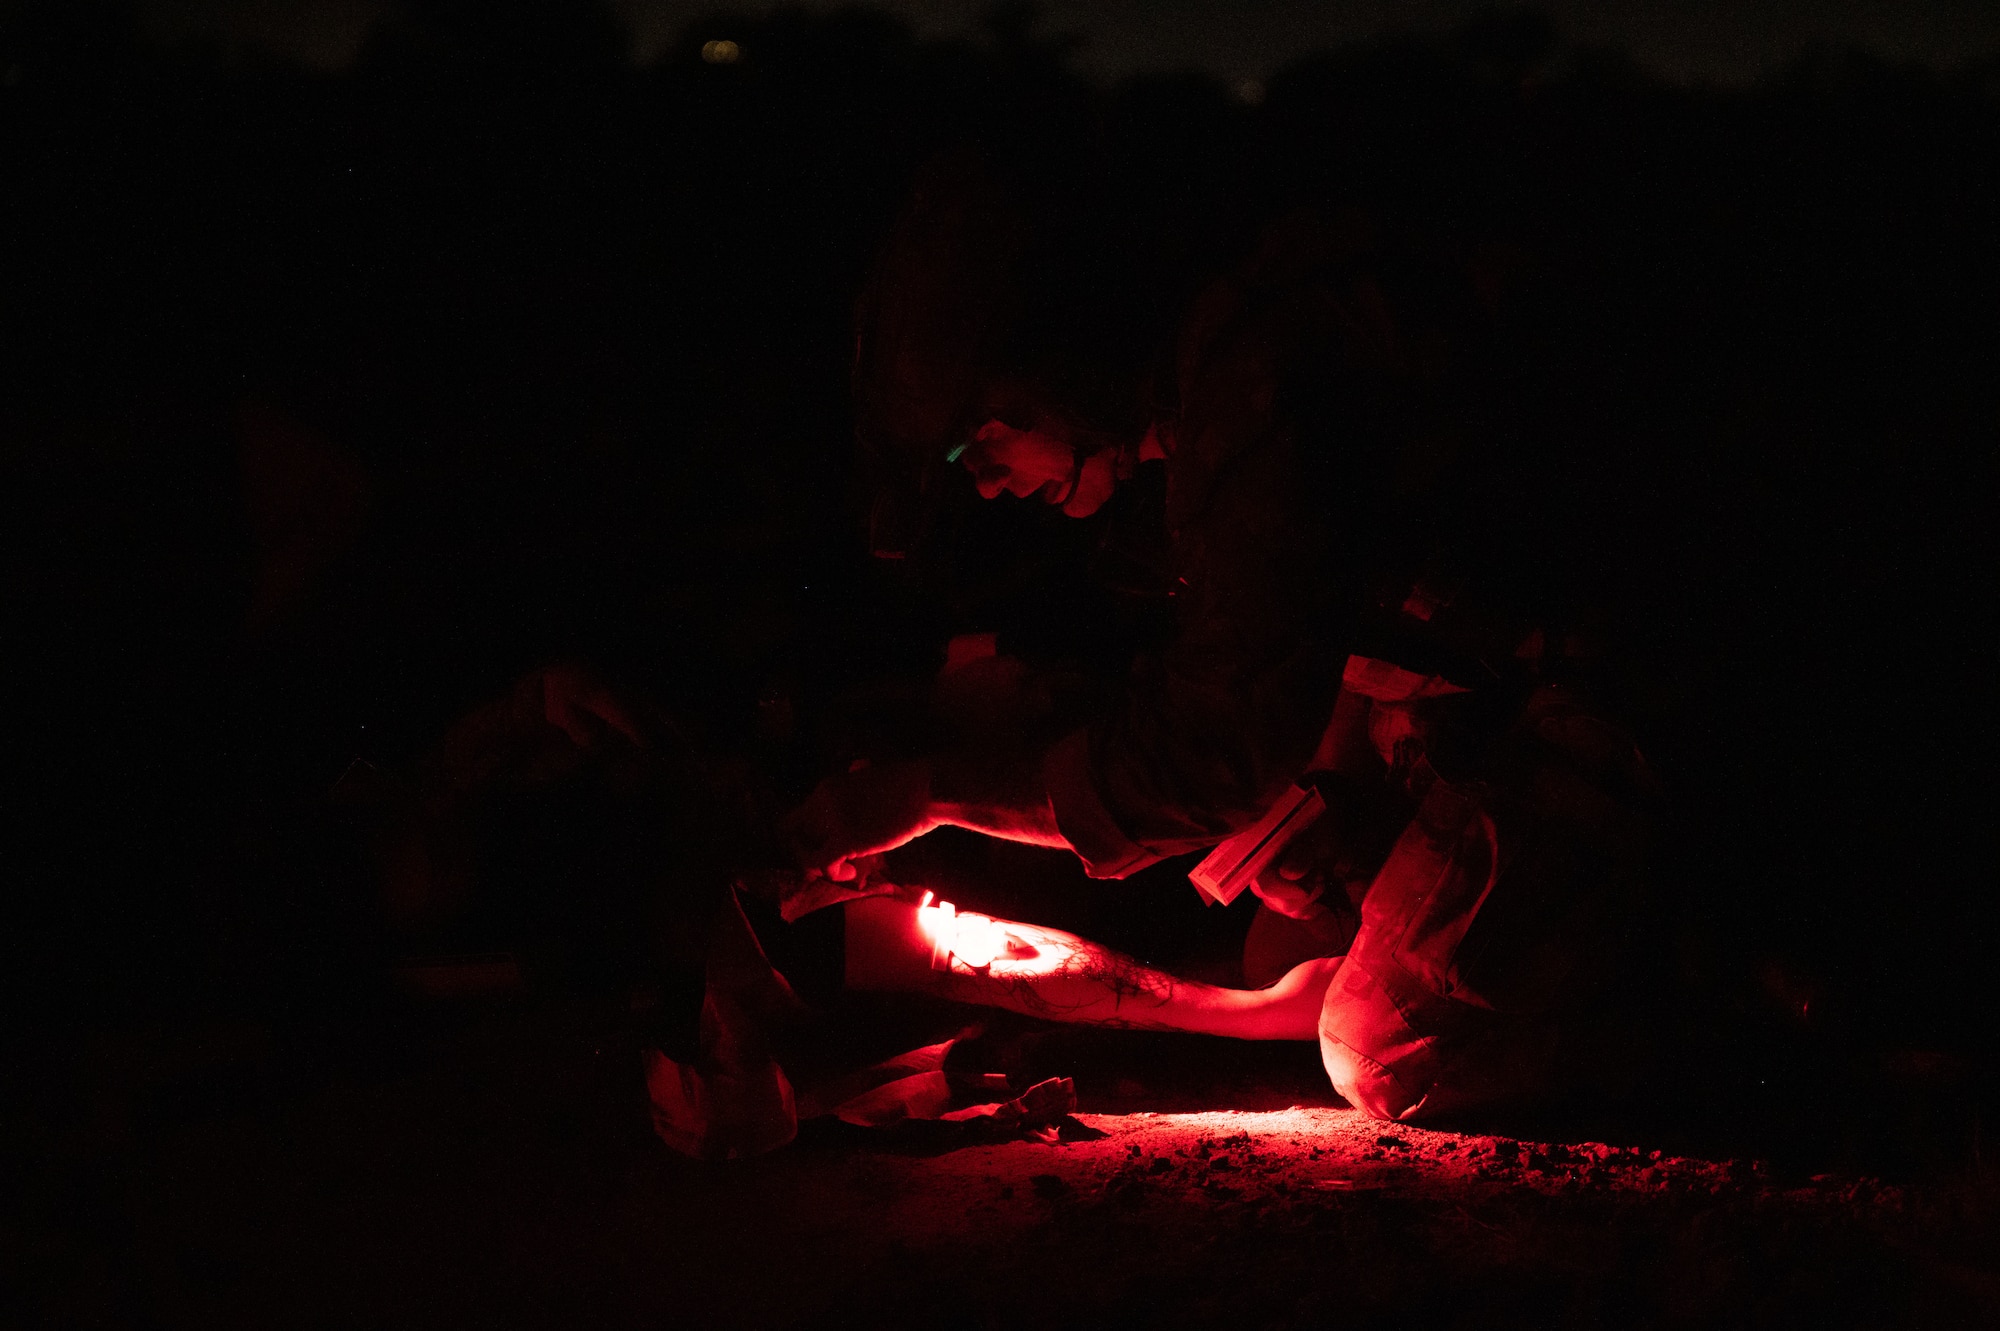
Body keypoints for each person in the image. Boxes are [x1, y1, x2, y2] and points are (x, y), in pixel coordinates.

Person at [784, 157, 1663, 1124]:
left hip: (1622, 683)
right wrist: (1328, 784)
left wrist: (929, 793)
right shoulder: (1193, 398)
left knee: (1383, 1047)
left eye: (978, 440)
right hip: (1486, 672)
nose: (989, 482)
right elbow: (1336, 605)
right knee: (1289, 939)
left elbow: (1211, 750)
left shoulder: (1253, 385)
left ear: (1053, 358)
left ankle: (1725, 974)